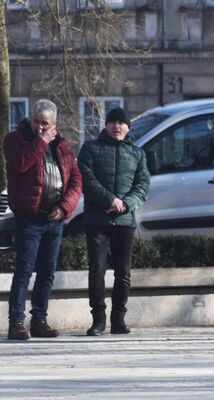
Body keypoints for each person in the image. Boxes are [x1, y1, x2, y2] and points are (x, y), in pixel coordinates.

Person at [5, 99, 82, 340]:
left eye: (45, 123)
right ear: (30, 119)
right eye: (36, 122)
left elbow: (76, 181)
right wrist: (41, 141)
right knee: (24, 271)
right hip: (29, 217)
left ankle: (40, 319)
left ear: (54, 123)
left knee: (47, 272)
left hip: (55, 218)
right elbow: (20, 165)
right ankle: (16, 322)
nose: (40, 127)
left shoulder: (64, 146)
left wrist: (64, 208)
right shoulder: (15, 140)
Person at [77, 107, 150, 336]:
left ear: (128, 127)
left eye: (121, 123)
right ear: (106, 125)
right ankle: (98, 320)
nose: (116, 126)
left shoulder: (137, 153)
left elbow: (143, 185)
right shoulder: (90, 149)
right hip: (97, 219)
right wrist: (110, 199)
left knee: (123, 272)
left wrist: (125, 204)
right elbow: (87, 179)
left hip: (125, 219)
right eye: (112, 122)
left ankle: (118, 320)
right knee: (97, 270)